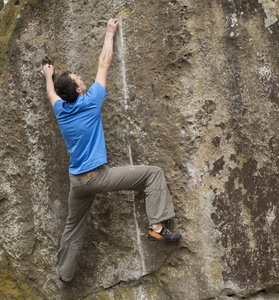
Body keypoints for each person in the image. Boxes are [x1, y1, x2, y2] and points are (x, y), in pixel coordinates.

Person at [41, 18, 181, 283]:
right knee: (153, 174)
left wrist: (49, 76)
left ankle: (64, 274)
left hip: (77, 182)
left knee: (73, 227)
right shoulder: (92, 101)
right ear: (80, 90)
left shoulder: (61, 111)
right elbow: (103, 63)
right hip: (98, 177)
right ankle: (158, 227)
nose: (81, 77)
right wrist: (109, 33)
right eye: (78, 78)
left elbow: (51, 95)